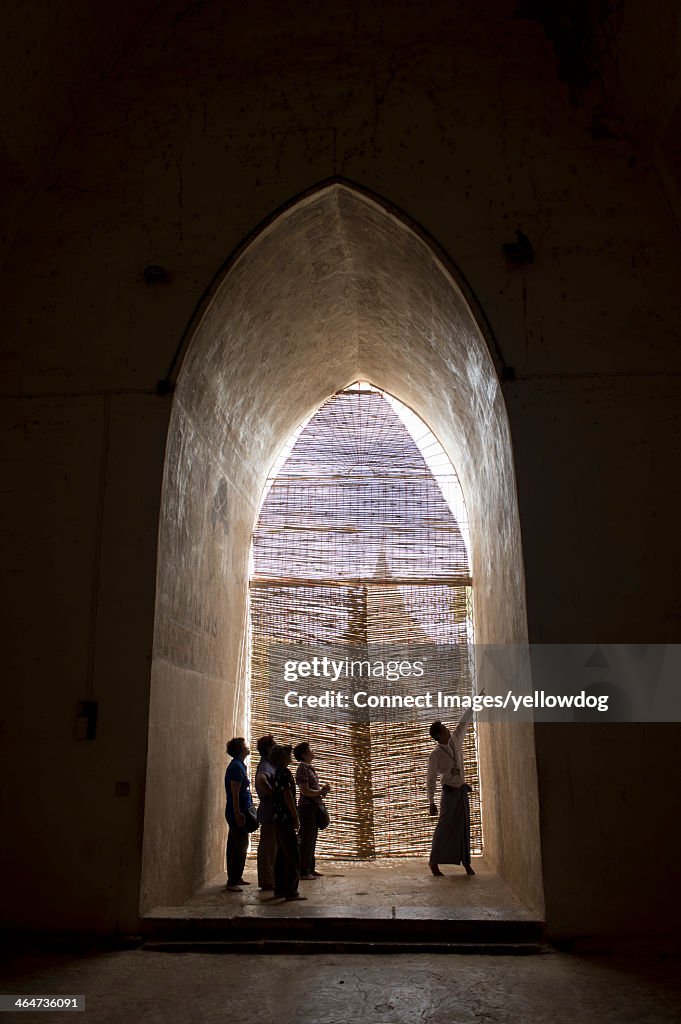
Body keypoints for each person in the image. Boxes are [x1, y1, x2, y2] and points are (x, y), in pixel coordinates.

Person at [426, 710, 476, 877]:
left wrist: (475, 703)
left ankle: (466, 863)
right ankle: (434, 862)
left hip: (461, 792)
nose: (448, 729)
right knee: (444, 828)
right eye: (444, 728)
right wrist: (431, 801)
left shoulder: (455, 740)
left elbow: (463, 722)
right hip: (448, 794)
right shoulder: (435, 755)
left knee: (464, 827)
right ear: (439, 735)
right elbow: (431, 779)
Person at [270, 744, 306, 901]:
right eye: (287, 753)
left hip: (278, 817)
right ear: (282, 758)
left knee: (281, 854)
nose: (290, 755)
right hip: (285, 818)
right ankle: (291, 891)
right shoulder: (284, 773)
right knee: (292, 854)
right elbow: (287, 796)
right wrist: (295, 816)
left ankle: (279, 888)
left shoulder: (277, 772)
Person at [294, 741, 330, 880]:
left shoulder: (309, 768)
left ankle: (310, 868)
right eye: (309, 749)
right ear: (304, 754)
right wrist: (319, 792)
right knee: (307, 839)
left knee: (312, 838)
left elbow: (312, 790)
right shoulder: (302, 768)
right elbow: (305, 791)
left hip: (313, 807)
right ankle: (303, 871)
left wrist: (321, 791)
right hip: (307, 808)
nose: (312, 751)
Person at [224, 736, 253, 892]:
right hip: (237, 812)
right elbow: (234, 793)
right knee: (240, 845)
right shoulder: (236, 767)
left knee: (235, 844)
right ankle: (233, 881)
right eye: (245, 745)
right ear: (241, 749)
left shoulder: (239, 765)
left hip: (238, 811)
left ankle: (235, 877)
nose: (248, 747)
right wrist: (238, 813)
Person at [254, 733, 277, 890]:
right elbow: (261, 779)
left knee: (271, 846)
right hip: (269, 810)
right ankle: (267, 881)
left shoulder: (269, 764)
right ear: (269, 748)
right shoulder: (265, 766)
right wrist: (273, 793)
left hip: (270, 810)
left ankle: (270, 879)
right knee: (268, 846)